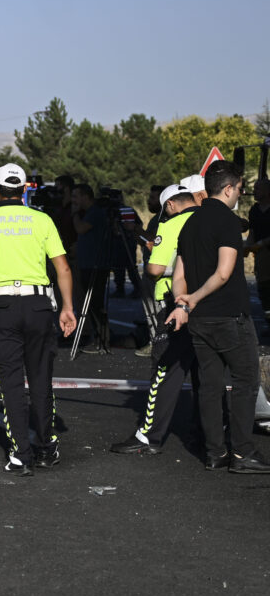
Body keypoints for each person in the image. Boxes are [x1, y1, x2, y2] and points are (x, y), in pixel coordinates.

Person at [0, 163, 76, 474]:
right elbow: (62, 268)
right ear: (25, 189)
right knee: (41, 379)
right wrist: (67, 307)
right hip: (39, 306)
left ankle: (21, 454)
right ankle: (48, 447)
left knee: (10, 381)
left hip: (1, 309)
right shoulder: (42, 220)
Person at [165, 160, 270, 473]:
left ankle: (214, 452)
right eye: (239, 188)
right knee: (245, 380)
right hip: (229, 315)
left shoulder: (190, 223)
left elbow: (178, 275)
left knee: (210, 385)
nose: (240, 193)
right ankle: (242, 453)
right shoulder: (227, 221)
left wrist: (183, 304)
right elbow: (224, 273)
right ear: (228, 189)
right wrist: (193, 298)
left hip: (200, 320)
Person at [111, 183, 201, 456]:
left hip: (174, 303)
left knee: (164, 369)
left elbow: (155, 268)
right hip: (208, 304)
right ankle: (209, 432)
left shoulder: (171, 225)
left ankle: (149, 435)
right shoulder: (211, 219)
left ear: (171, 205)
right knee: (205, 373)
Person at [71, 184, 111, 351]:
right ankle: (99, 337)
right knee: (92, 303)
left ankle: (103, 339)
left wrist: (74, 214)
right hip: (88, 263)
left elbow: (81, 229)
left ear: (86, 196)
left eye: (76, 196)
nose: (74, 200)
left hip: (96, 265)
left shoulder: (94, 212)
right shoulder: (89, 213)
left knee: (95, 303)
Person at [244, 177, 270, 336]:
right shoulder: (254, 210)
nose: (254, 191)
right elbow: (252, 232)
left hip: (265, 249)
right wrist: (247, 246)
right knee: (263, 288)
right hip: (261, 255)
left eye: (258, 189)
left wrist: (263, 243)